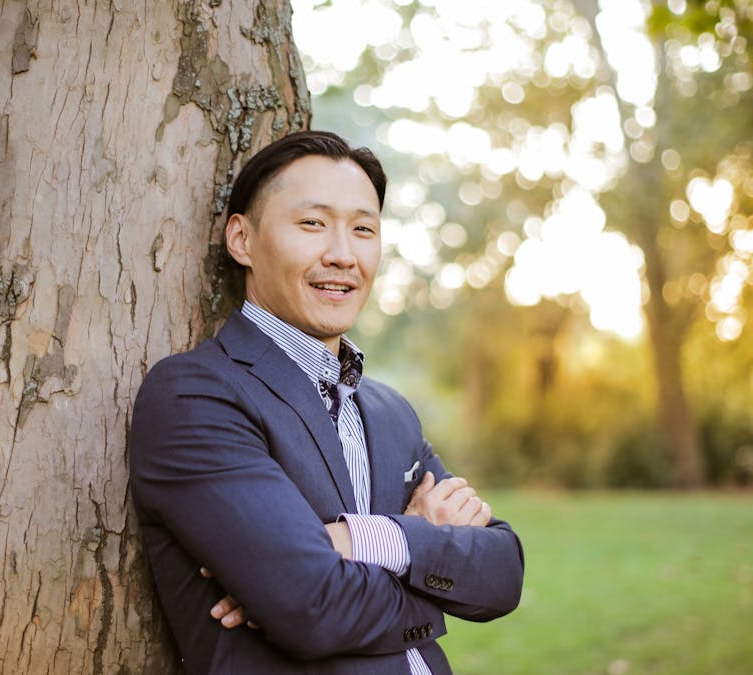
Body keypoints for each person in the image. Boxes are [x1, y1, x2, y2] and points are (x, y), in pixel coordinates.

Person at [129, 130, 524, 674]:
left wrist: (365, 538)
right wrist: (427, 561)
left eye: (363, 230)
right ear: (242, 240)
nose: (343, 255)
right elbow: (310, 605)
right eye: (312, 224)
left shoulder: (390, 413)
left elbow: (503, 573)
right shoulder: (196, 395)